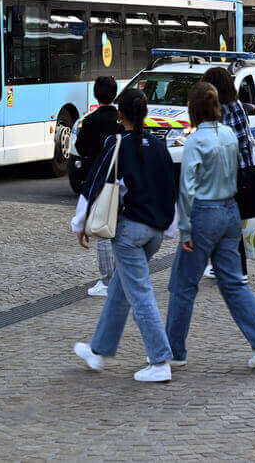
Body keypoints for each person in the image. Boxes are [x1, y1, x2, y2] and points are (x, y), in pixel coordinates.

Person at [165, 82, 255, 371]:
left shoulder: (193, 142)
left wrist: (185, 228)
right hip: (229, 210)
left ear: (192, 109)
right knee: (233, 282)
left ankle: (173, 350)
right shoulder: (228, 134)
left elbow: (187, 189)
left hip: (204, 213)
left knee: (182, 285)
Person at [72, 88, 178, 383]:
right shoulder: (158, 146)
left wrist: (79, 224)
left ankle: (159, 361)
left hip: (130, 231)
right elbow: (170, 188)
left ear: (120, 116)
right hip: (155, 230)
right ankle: (98, 351)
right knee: (121, 287)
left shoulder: (117, 144)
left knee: (140, 293)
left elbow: (95, 184)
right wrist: (170, 228)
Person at [200, 67, 252, 283]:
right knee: (231, 221)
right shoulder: (237, 104)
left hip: (229, 172)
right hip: (243, 169)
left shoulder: (222, 111)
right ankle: (232, 268)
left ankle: (234, 269)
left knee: (223, 221)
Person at [73, 76, 122, 298]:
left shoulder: (89, 120)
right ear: (115, 94)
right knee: (120, 230)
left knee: (103, 229)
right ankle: (121, 276)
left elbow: (80, 146)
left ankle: (107, 280)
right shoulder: (121, 120)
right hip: (121, 178)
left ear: (95, 94)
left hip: (98, 179)